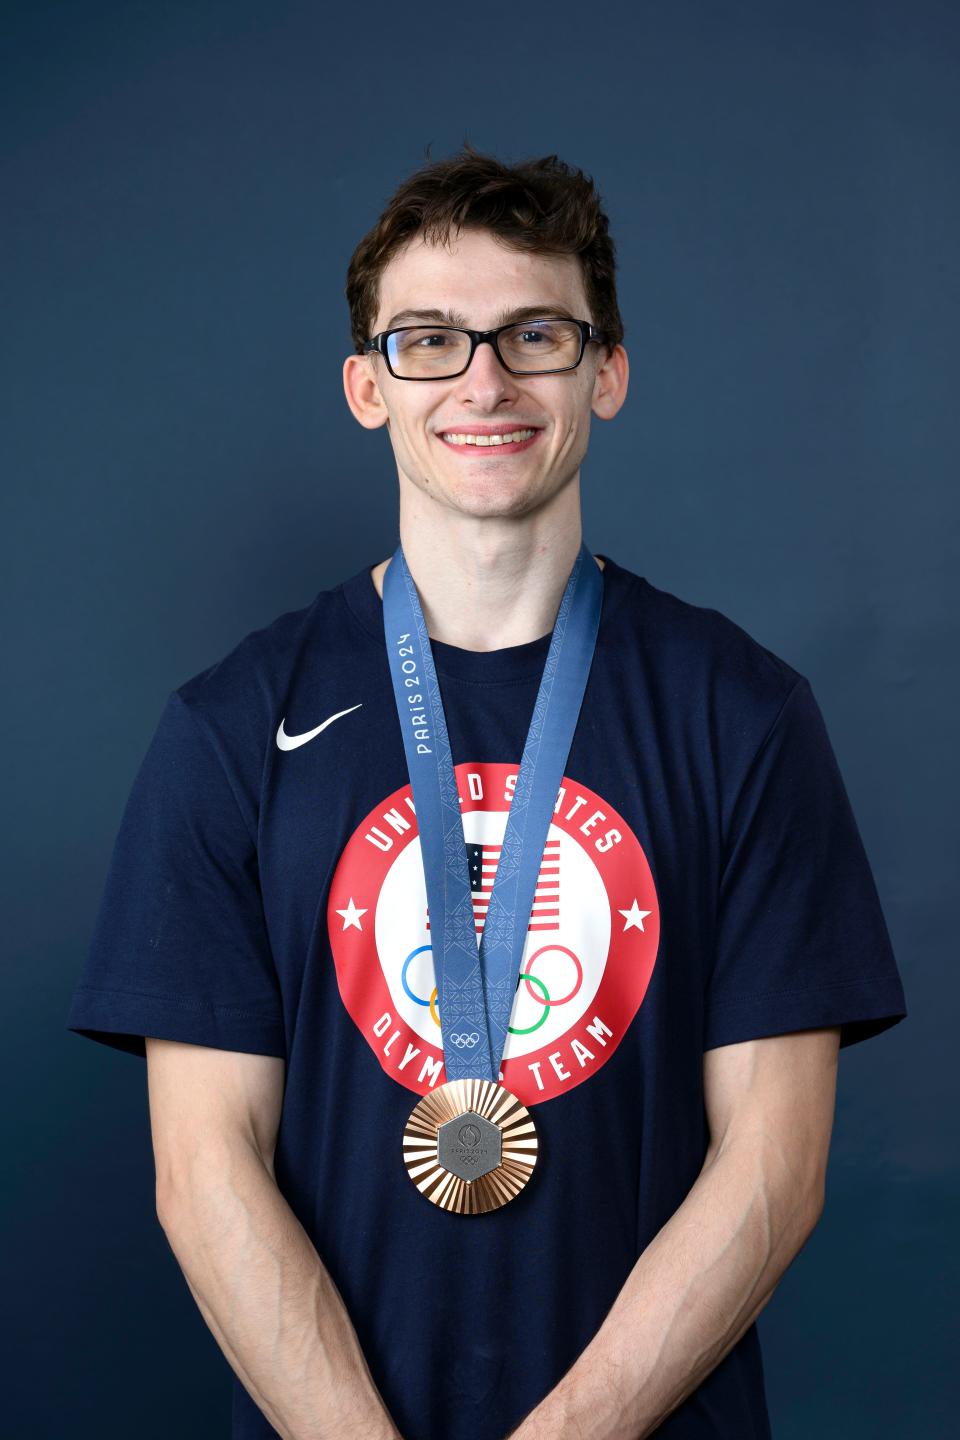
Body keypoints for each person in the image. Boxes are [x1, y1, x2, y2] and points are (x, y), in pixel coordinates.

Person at [66, 144, 907, 1440]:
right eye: (429, 341)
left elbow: (774, 1167)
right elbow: (204, 1169)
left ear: (607, 371)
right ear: (365, 385)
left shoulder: (743, 714)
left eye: (536, 336)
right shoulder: (231, 727)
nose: (485, 381)